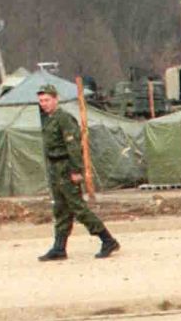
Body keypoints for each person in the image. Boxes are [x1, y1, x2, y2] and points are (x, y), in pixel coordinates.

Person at [35, 84, 120, 262]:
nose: (44, 104)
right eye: (41, 101)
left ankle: (107, 240)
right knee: (61, 209)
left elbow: (73, 146)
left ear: (55, 99)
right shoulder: (48, 119)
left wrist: (76, 170)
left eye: (47, 100)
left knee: (78, 208)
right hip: (55, 169)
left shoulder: (63, 118)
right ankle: (59, 248)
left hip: (66, 167)